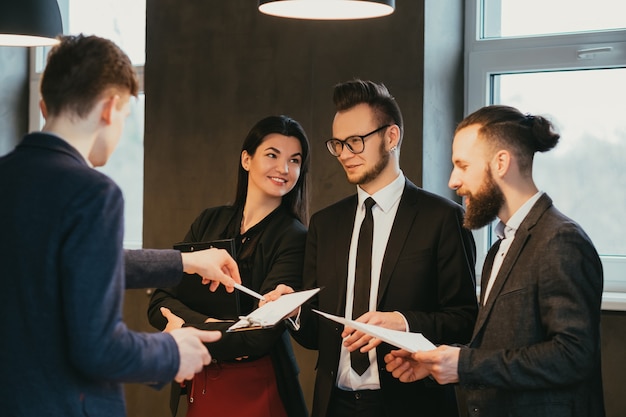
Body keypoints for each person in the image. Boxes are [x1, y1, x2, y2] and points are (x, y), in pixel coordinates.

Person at [0, 34, 237, 417]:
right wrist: (172, 350)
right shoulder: (93, 193)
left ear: (45, 105)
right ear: (110, 108)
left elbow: (74, 262)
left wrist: (184, 263)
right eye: (127, 115)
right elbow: (98, 348)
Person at [265, 79, 478, 417]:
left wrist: (403, 322)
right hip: (334, 405)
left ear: (391, 137)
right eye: (338, 144)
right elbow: (316, 336)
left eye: (355, 142)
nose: (345, 155)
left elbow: (465, 320)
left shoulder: (443, 218)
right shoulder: (325, 224)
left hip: (414, 405)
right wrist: (293, 312)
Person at [384, 105, 605, 417]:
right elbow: (499, 351)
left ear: (501, 162)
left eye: (462, 165)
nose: (452, 181)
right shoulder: (497, 250)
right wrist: (436, 361)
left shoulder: (560, 240)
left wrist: (464, 365)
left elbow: (573, 355)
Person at [148, 115, 311, 417]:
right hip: (201, 381)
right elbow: (159, 300)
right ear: (247, 159)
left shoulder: (296, 237)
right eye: (272, 155)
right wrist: (208, 327)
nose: (284, 169)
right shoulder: (209, 220)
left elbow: (257, 335)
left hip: (256, 387)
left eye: (295, 160)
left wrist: (185, 326)